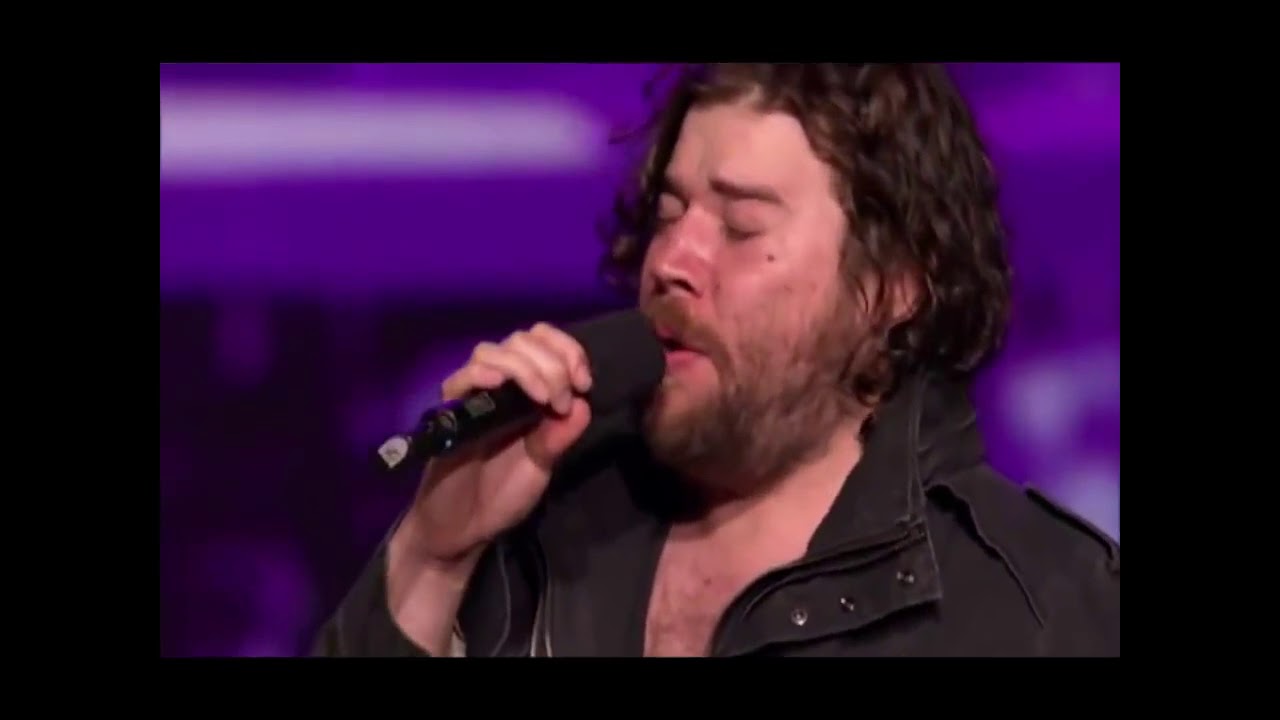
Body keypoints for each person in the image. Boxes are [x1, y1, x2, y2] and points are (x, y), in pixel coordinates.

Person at [311, 63, 1120, 658]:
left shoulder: (1041, 609)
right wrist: (434, 554)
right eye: (669, 214)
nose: (672, 261)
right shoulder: (540, 527)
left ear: (890, 290)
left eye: (740, 228)